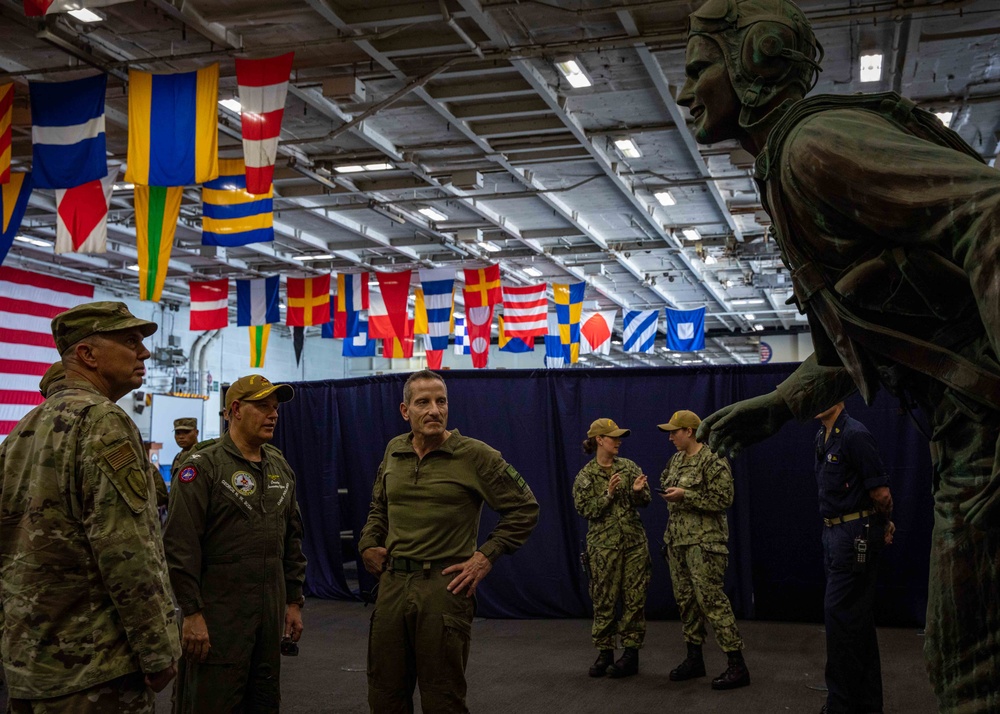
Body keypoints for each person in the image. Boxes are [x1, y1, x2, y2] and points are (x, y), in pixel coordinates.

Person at [681, 0, 1000, 709]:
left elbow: (989, 212)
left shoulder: (812, 147)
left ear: (753, 64)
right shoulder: (787, 167)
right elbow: (846, 354)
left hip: (987, 429)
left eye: (699, 69)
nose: (682, 92)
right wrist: (775, 406)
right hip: (967, 436)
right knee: (965, 662)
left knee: (971, 669)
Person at [0, 301, 180, 711]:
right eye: (130, 341)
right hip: (95, 668)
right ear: (87, 354)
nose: (145, 352)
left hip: (31, 663)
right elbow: (127, 549)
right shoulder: (101, 420)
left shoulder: (21, 432)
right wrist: (157, 647)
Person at [359, 369, 539, 713]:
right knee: (384, 693)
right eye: (423, 402)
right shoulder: (394, 450)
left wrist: (485, 557)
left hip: (444, 589)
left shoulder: (475, 455)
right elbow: (378, 505)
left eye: (441, 401)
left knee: (443, 698)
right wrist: (368, 543)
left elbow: (524, 509)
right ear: (405, 410)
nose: (434, 410)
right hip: (393, 587)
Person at [163, 374, 307, 713]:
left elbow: (292, 539)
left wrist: (293, 601)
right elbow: (180, 545)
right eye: (262, 407)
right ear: (236, 410)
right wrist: (192, 612)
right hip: (218, 618)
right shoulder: (203, 467)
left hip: (268, 617)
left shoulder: (279, 467)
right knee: (212, 702)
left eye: (275, 408)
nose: (273, 414)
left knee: (263, 702)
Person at [658, 410, 749, 690]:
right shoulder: (675, 460)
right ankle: (694, 658)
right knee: (686, 603)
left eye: (675, 431)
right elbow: (664, 483)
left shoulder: (713, 459)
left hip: (705, 545)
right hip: (678, 542)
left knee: (712, 602)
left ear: (690, 431)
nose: (671, 436)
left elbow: (724, 498)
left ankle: (737, 665)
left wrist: (687, 495)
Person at [814, 402, 894, 714]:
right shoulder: (822, 436)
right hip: (833, 533)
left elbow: (881, 494)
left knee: (840, 620)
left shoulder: (854, 435)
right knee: (856, 621)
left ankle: (841, 704)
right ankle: (868, 704)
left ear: (836, 398)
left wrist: (884, 523)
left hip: (854, 534)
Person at [572, 418, 651, 678]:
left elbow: (645, 500)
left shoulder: (628, 468)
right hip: (603, 549)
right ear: (600, 440)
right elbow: (585, 509)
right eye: (613, 437)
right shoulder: (585, 476)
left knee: (634, 600)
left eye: (619, 437)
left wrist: (639, 491)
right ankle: (605, 652)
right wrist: (607, 494)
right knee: (603, 600)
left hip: (633, 545)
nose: (618, 441)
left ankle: (630, 654)